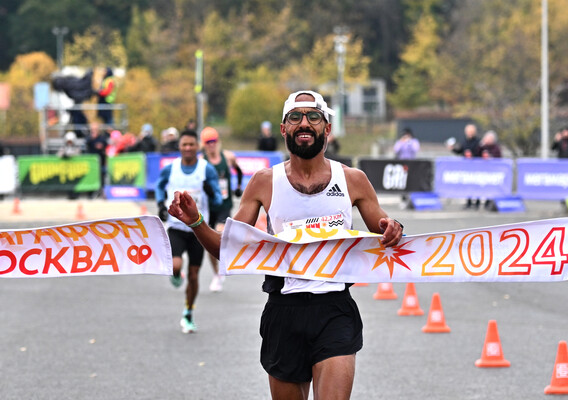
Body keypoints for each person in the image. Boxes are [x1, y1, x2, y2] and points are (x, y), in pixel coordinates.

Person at [167, 90, 403, 399]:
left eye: (313, 116)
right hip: (283, 311)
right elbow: (228, 249)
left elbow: (385, 229)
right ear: (283, 128)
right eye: (295, 117)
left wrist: (393, 228)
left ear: (327, 128)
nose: (304, 123)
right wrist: (196, 221)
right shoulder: (264, 182)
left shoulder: (352, 179)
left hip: (334, 309)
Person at [155, 130, 223, 334]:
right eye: (184, 144)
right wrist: (160, 203)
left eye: (191, 144)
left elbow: (218, 198)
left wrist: (211, 193)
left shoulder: (206, 169)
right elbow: (159, 187)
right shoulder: (171, 169)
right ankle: (176, 273)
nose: (188, 148)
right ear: (179, 146)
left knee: (194, 275)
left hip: (197, 229)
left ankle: (188, 312)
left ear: (197, 146)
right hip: (176, 228)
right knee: (176, 265)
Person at [200, 126, 243, 292]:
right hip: (208, 207)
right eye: (208, 142)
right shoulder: (202, 162)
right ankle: (216, 273)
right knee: (210, 243)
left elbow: (238, 170)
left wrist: (238, 187)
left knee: (219, 233)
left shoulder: (228, 157)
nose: (211, 145)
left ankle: (223, 265)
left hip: (224, 205)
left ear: (218, 141)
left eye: (213, 141)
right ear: (204, 145)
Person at [449, 123, 481, 209]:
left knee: (476, 185)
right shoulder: (465, 141)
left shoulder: (478, 142)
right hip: (467, 167)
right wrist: (453, 149)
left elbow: (479, 152)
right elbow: (460, 150)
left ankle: (477, 202)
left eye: (471, 132)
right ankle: (468, 201)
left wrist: (472, 155)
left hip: (476, 166)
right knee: (468, 184)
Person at [85, 122, 108, 196]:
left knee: (101, 178)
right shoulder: (89, 137)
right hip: (92, 163)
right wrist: (92, 138)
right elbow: (86, 143)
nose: (94, 130)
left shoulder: (102, 137)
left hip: (101, 162)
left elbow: (105, 143)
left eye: (95, 129)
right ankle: (90, 194)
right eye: (93, 129)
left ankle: (102, 192)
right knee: (91, 178)